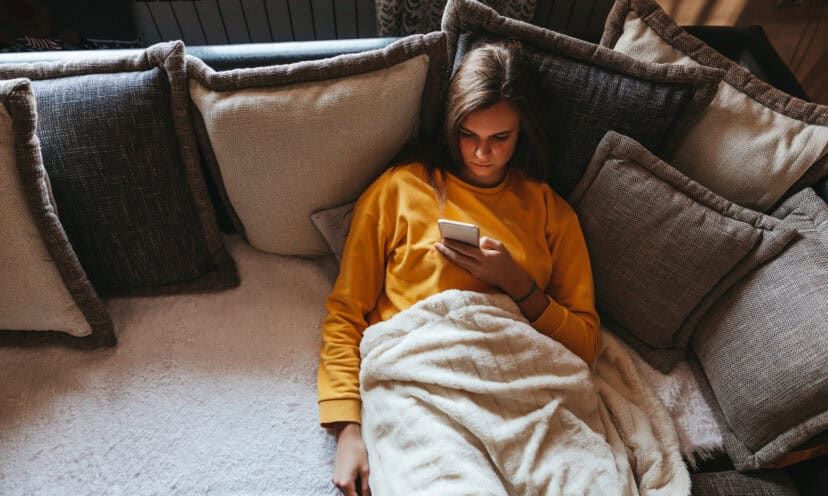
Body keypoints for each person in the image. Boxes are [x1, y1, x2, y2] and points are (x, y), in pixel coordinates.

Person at [317, 40, 600, 496]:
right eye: (469, 135)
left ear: (523, 133)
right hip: (422, 382)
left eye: (499, 138)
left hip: (523, 387)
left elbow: (585, 345)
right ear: (452, 126)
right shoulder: (398, 190)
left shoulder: (551, 212)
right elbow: (346, 314)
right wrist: (347, 429)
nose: (481, 153)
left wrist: (518, 284)